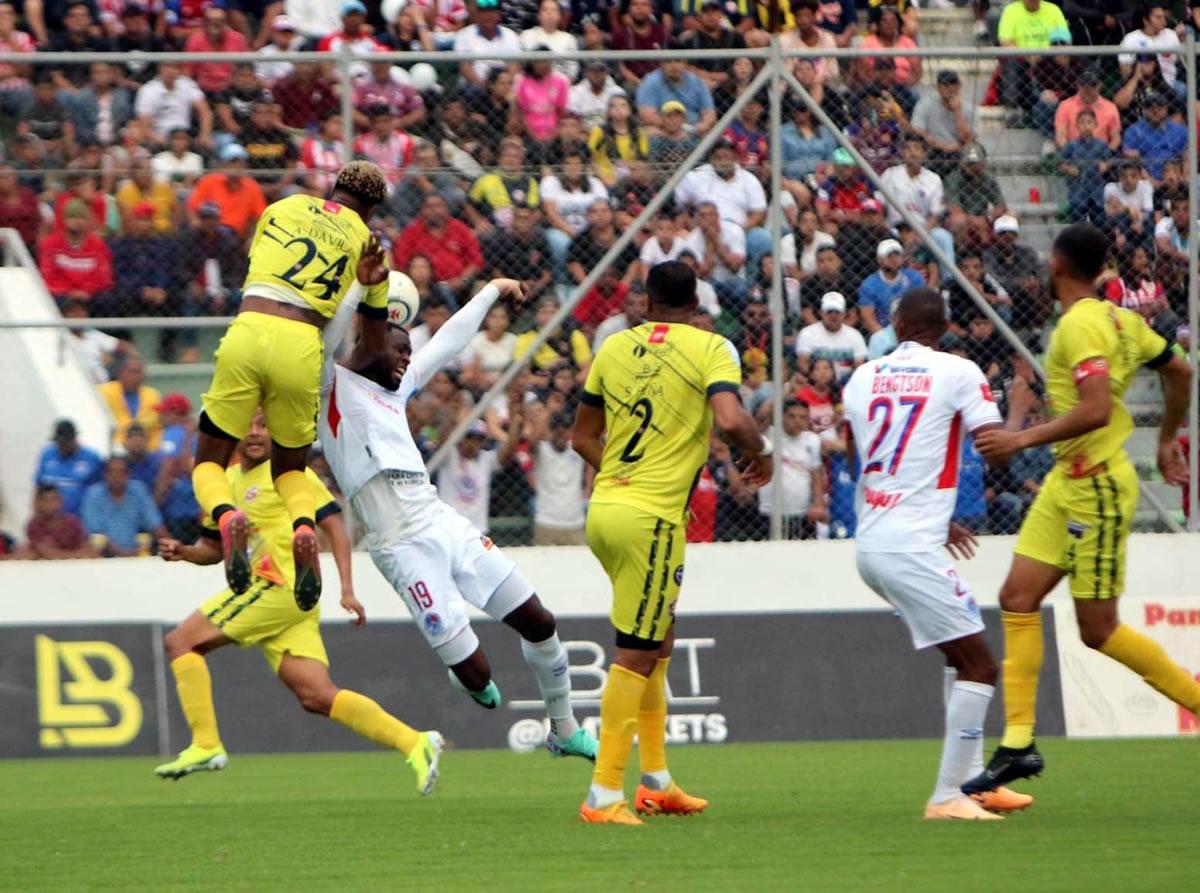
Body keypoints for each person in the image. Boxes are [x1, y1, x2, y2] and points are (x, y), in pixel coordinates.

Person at [317, 274, 598, 760]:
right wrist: (358, 290)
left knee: (540, 622)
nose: (408, 358)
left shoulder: (396, 392)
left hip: (442, 521)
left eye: (409, 352)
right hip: (399, 546)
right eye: (399, 349)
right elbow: (324, 341)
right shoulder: (331, 387)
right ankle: (464, 669)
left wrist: (490, 291)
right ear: (368, 348)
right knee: (478, 678)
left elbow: (448, 341)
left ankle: (564, 728)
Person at [962, 223, 1198, 798]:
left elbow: (1095, 410)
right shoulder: (1121, 319)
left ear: (1059, 264)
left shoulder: (1082, 324)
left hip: (1094, 486)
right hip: (1065, 483)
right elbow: (1181, 367)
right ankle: (1018, 746)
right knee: (1017, 597)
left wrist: (1019, 439)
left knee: (1098, 630)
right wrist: (1167, 436)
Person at [572, 260, 772, 825]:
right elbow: (732, 421)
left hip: (606, 508)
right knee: (636, 650)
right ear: (697, 301)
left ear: (648, 299)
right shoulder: (711, 348)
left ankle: (655, 780)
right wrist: (764, 453)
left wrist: (621, 475)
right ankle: (604, 793)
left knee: (658, 639)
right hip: (652, 518)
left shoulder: (612, 347)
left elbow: (582, 436)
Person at [154, 410, 443, 792]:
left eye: (264, 425)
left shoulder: (291, 476)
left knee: (181, 641)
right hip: (288, 602)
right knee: (316, 695)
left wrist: (347, 589)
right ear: (236, 434)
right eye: (249, 426)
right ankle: (415, 742)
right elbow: (211, 548)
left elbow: (335, 527)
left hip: (279, 584)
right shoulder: (222, 484)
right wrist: (184, 552)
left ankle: (206, 744)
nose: (256, 433)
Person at [843, 286, 1030, 820]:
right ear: (944, 330)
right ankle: (948, 796)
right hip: (909, 547)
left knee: (960, 655)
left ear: (895, 325)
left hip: (876, 539)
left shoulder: (862, 377)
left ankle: (973, 785)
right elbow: (995, 449)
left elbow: (867, 463)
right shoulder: (958, 371)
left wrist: (931, 510)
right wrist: (1017, 413)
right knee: (980, 665)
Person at [191, 162, 391, 610]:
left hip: (250, 326)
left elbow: (264, 268)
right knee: (289, 472)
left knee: (209, 462)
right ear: (373, 211)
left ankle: (225, 518)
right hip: (303, 346)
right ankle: (303, 525)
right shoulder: (371, 245)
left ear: (333, 187)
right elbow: (373, 348)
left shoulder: (281, 208)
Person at [755, 399, 826, 541]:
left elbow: (816, 473)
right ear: (782, 417)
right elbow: (761, 418)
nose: (797, 421)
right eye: (791, 416)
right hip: (770, 511)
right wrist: (782, 391)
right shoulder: (770, 434)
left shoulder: (812, 440)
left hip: (800, 512)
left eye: (802, 417)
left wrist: (818, 504)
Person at [82, 456, 169, 557]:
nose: (116, 476)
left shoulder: (138, 491)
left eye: (121, 472)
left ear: (128, 474)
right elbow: (96, 533)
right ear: (104, 474)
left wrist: (173, 548)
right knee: (97, 541)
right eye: (112, 472)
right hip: (103, 554)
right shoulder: (93, 495)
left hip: (135, 551)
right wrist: (125, 554)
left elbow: (156, 526)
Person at [35, 419, 104, 517]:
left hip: (81, 520)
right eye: (58, 442)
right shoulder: (47, 454)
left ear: (73, 439)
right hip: (50, 520)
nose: (61, 446)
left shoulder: (92, 458)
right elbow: (38, 487)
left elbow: (101, 492)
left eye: (64, 442)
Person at [794, 291, 867, 381]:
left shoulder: (855, 335)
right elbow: (803, 364)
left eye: (837, 312)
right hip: (815, 383)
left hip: (847, 383)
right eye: (829, 311)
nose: (833, 315)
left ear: (844, 314)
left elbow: (859, 366)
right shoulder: (807, 333)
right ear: (821, 313)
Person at [858, 238, 925, 334]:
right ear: (879, 260)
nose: (894, 259)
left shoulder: (914, 277)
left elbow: (923, 307)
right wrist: (885, 338)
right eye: (889, 256)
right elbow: (868, 319)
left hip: (913, 330)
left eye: (897, 255)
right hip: (885, 331)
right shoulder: (869, 284)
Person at [97, 355, 162, 449]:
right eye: (133, 372)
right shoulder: (103, 392)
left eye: (140, 372)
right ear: (121, 373)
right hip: (114, 446)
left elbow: (158, 426)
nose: (138, 376)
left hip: (146, 450)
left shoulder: (153, 396)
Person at [1121, 91, 1187, 183]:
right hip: (1145, 182)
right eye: (1149, 106)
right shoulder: (1133, 131)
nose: (1155, 110)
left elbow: (1188, 159)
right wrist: (1153, 183)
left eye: (1159, 106)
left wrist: (1183, 179)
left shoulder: (1181, 131)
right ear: (1143, 110)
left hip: (1176, 179)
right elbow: (1134, 164)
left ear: (1166, 108)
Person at [24, 484, 94, 560]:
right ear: (38, 503)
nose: (50, 504)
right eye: (45, 500)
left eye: (54, 499)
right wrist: (73, 555)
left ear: (61, 501)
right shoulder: (34, 526)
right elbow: (47, 553)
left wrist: (70, 556)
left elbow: (88, 550)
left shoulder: (73, 523)